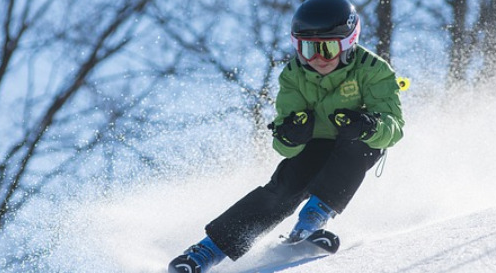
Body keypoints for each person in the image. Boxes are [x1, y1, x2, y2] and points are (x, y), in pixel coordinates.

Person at [168, 0, 404, 272]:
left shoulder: (373, 70)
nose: (317, 58)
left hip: (358, 142)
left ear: (348, 42)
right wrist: (291, 135)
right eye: (306, 48)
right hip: (315, 143)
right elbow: (284, 145)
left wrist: (368, 126)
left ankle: (312, 220)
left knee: (355, 148)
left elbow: (394, 127)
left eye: (327, 48)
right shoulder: (294, 75)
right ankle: (206, 252)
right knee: (286, 186)